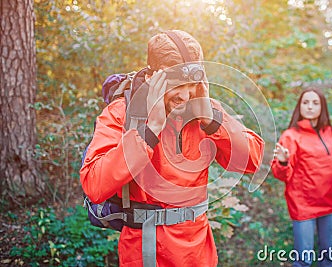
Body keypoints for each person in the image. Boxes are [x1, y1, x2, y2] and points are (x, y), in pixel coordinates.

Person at [80, 30, 264, 267]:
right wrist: (150, 131)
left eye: (192, 84)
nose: (186, 95)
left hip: (199, 252)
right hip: (145, 251)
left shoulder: (203, 110)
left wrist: (211, 121)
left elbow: (255, 162)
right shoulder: (123, 113)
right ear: (152, 77)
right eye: (177, 84)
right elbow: (94, 184)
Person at [271, 88, 332, 267]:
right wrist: (283, 162)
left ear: (322, 107)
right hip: (303, 206)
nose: (310, 107)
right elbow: (280, 174)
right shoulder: (291, 136)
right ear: (299, 106)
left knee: (328, 258)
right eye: (306, 102)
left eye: (315, 103)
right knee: (303, 261)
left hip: (330, 202)